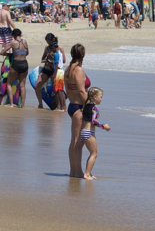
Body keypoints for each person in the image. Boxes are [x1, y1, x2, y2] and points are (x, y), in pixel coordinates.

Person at [65, 44, 88, 178]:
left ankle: (73, 170)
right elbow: (81, 90)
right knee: (78, 142)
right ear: (83, 55)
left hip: (72, 105)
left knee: (74, 140)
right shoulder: (78, 69)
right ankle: (77, 171)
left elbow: (68, 90)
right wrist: (90, 106)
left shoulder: (68, 69)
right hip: (79, 106)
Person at [79, 87, 111, 180]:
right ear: (95, 97)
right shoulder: (94, 107)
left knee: (92, 153)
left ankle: (89, 172)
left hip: (84, 132)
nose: (102, 99)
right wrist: (104, 126)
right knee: (94, 154)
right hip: (89, 132)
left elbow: (83, 119)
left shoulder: (86, 106)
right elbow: (94, 121)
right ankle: (87, 174)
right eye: (101, 97)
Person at [0, 28, 30, 107]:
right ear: (21, 33)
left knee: (9, 83)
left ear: (13, 35)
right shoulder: (25, 42)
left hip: (16, 64)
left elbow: (2, 52)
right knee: (22, 85)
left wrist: (11, 55)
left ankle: (11, 104)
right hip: (25, 64)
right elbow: (27, 53)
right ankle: (22, 105)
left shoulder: (12, 43)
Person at [34, 33, 64, 109]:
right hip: (46, 69)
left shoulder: (59, 48)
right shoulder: (47, 47)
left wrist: (54, 59)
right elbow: (43, 58)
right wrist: (46, 59)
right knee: (37, 86)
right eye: (47, 42)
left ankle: (58, 107)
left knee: (56, 91)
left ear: (53, 39)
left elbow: (63, 60)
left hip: (55, 71)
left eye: (49, 41)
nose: (48, 43)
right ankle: (40, 105)